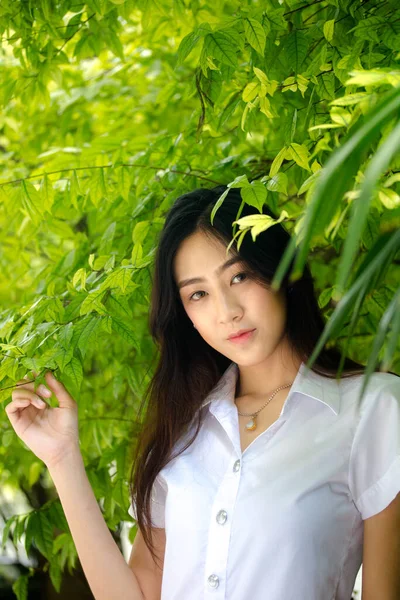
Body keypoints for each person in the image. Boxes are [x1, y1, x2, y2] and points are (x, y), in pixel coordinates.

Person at [5, 185, 400, 600]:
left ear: (281, 269)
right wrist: (62, 458)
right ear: (184, 314)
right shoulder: (184, 428)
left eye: (240, 275)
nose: (227, 310)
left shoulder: (372, 409)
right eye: (199, 294)